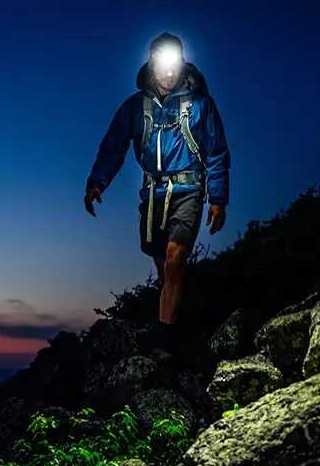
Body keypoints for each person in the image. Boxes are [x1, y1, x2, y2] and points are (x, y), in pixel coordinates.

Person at [84, 33, 231, 364]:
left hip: (190, 191)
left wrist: (217, 197)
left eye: (174, 63)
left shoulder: (201, 104)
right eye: (162, 64)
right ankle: (179, 311)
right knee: (164, 267)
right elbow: (114, 145)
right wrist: (97, 182)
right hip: (152, 194)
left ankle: (163, 342)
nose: (168, 71)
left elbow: (217, 151)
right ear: (151, 63)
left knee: (176, 258)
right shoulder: (135, 107)